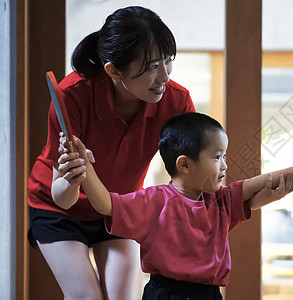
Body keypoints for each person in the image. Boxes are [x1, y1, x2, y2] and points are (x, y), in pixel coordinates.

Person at [57, 112, 293, 300]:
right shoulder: (155, 200)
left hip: (209, 294)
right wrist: (85, 169)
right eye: (217, 157)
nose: (225, 165)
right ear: (185, 164)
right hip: (165, 294)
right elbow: (106, 203)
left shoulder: (222, 201)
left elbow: (262, 181)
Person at [26, 6, 196, 299]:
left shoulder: (177, 101)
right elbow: (63, 197)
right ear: (114, 70)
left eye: (168, 61)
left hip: (117, 206)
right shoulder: (73, 95)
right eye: (152, 66)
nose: (164, 76)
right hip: (57, 210)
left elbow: (191, 176)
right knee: (87, 297)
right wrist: (73, 175)